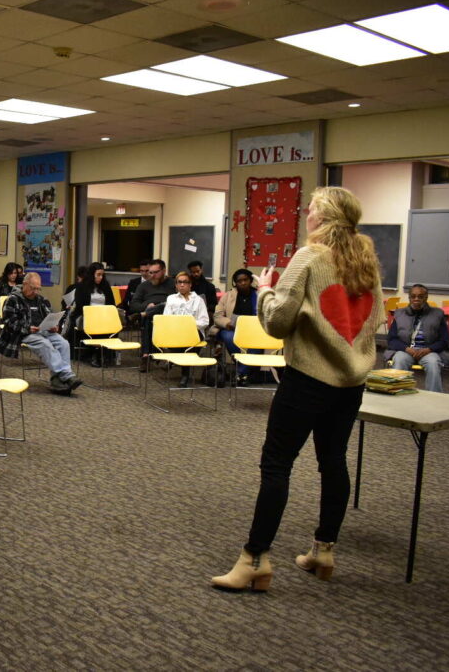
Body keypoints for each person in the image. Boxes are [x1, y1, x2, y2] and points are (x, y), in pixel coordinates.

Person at [212, 186, 384, 592]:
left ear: (323, 219)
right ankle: (323, 550)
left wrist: (266, 288)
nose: (306, 215)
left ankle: (254, 560)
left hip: (307, 381)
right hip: (351, 385)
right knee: (333, 462)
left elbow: (276, 323)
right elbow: (374, 319)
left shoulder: (308, 258)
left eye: (311, 209)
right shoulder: (367, 263)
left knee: (276, 466)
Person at [0, 272, 82, 394]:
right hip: (23, 333)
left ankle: (57, 379)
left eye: (38, 288)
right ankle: (66, 375)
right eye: (33, 288)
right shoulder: (12, 299)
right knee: (45, 344)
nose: (36, 292)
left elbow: (49, 316)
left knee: (63, 343)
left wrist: (54, 326)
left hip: (43, 331)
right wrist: (28, 328)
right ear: (25, 284)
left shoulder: (42, 300)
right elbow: (8, 321)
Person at [384, 284, 449, 393]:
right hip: (406, 350)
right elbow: (392, 340)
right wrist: (406, 349)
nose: (416, 299)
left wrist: (429, 349)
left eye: (420, 296)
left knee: (433, 363)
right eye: (413, 296)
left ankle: (434, 397)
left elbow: (444, 340)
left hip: (429, 351)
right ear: (409, 298)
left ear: (426, 297)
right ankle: (397, 393)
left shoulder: (437, 314)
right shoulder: (400, 314)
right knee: (399, 360)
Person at [214, 268, 261, 386]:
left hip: (253, 330)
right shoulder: (228, 296)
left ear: (250, 280)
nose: (243, 283)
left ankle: (240, 372)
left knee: (257, 343)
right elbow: (217, 315)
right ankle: (244, 371)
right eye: (239, 281)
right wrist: (228, 323)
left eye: (245, 280)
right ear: (235, 283)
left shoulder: (259, 295)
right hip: (232, 328)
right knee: (228, 336)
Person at [162, 271, 209, 387]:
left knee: (187, 340)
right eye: (179, 282)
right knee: (183, 343)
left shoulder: (198, 300)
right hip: (175, 332)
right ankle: (184, 374)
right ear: (176, 285)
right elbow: (166, 318)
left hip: (195, 332)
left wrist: (187, 325)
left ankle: (177, 365)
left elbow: (204, 321)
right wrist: (179, 327)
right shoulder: (171, 299)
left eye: (185, 282)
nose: (182, 285)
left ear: (190, 284)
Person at [129, 259, 176, 368]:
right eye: (150, 272)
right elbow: (133, 305)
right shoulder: (143, 286)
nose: (152, 275)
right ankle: (146, 355)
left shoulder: (173, 284)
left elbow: (180, 301)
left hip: (169, 316)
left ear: (164, 270)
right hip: (151, 315)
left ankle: (146, 354)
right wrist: (146, 306)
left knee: (163, 306)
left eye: (156, 272)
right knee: (150, 317)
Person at [70, 262, 116, 368]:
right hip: (85, 315)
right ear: (92, 274)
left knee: (108, 323)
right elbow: (80, 306)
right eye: (98, 274)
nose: (100, 277)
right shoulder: (82, 286)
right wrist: (94, 314)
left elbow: (111, 303)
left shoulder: (105, 286)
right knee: (97, 323)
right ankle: (96, 354)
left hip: (103, 315)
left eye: (102, 275)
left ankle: (102, 353)